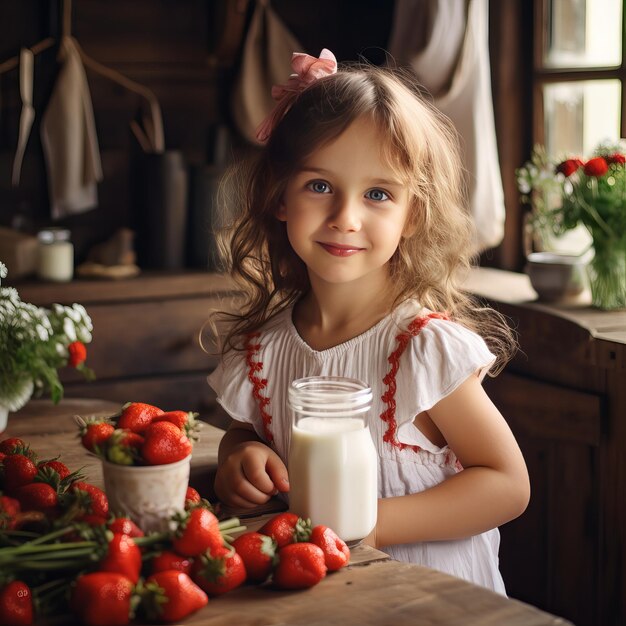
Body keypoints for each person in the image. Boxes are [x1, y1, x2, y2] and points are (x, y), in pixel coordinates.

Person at [208, 49, 530, 593]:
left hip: (432, 602)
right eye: (319, 185)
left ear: (413, 216)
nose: (345, 218)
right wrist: (239, 456)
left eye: (378, 194)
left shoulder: (421, 349)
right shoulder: (260, 353)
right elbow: (247, 429)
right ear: (279, 195)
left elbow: (506, 485)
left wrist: (369, 524)